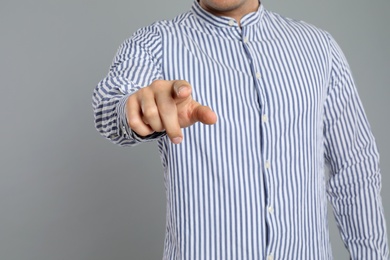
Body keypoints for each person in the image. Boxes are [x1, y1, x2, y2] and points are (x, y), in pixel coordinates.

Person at [92, 0, 389, 259]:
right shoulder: (153, 44)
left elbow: (355, 169)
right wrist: (138, 109)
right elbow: (109, 107)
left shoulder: (320, 48)